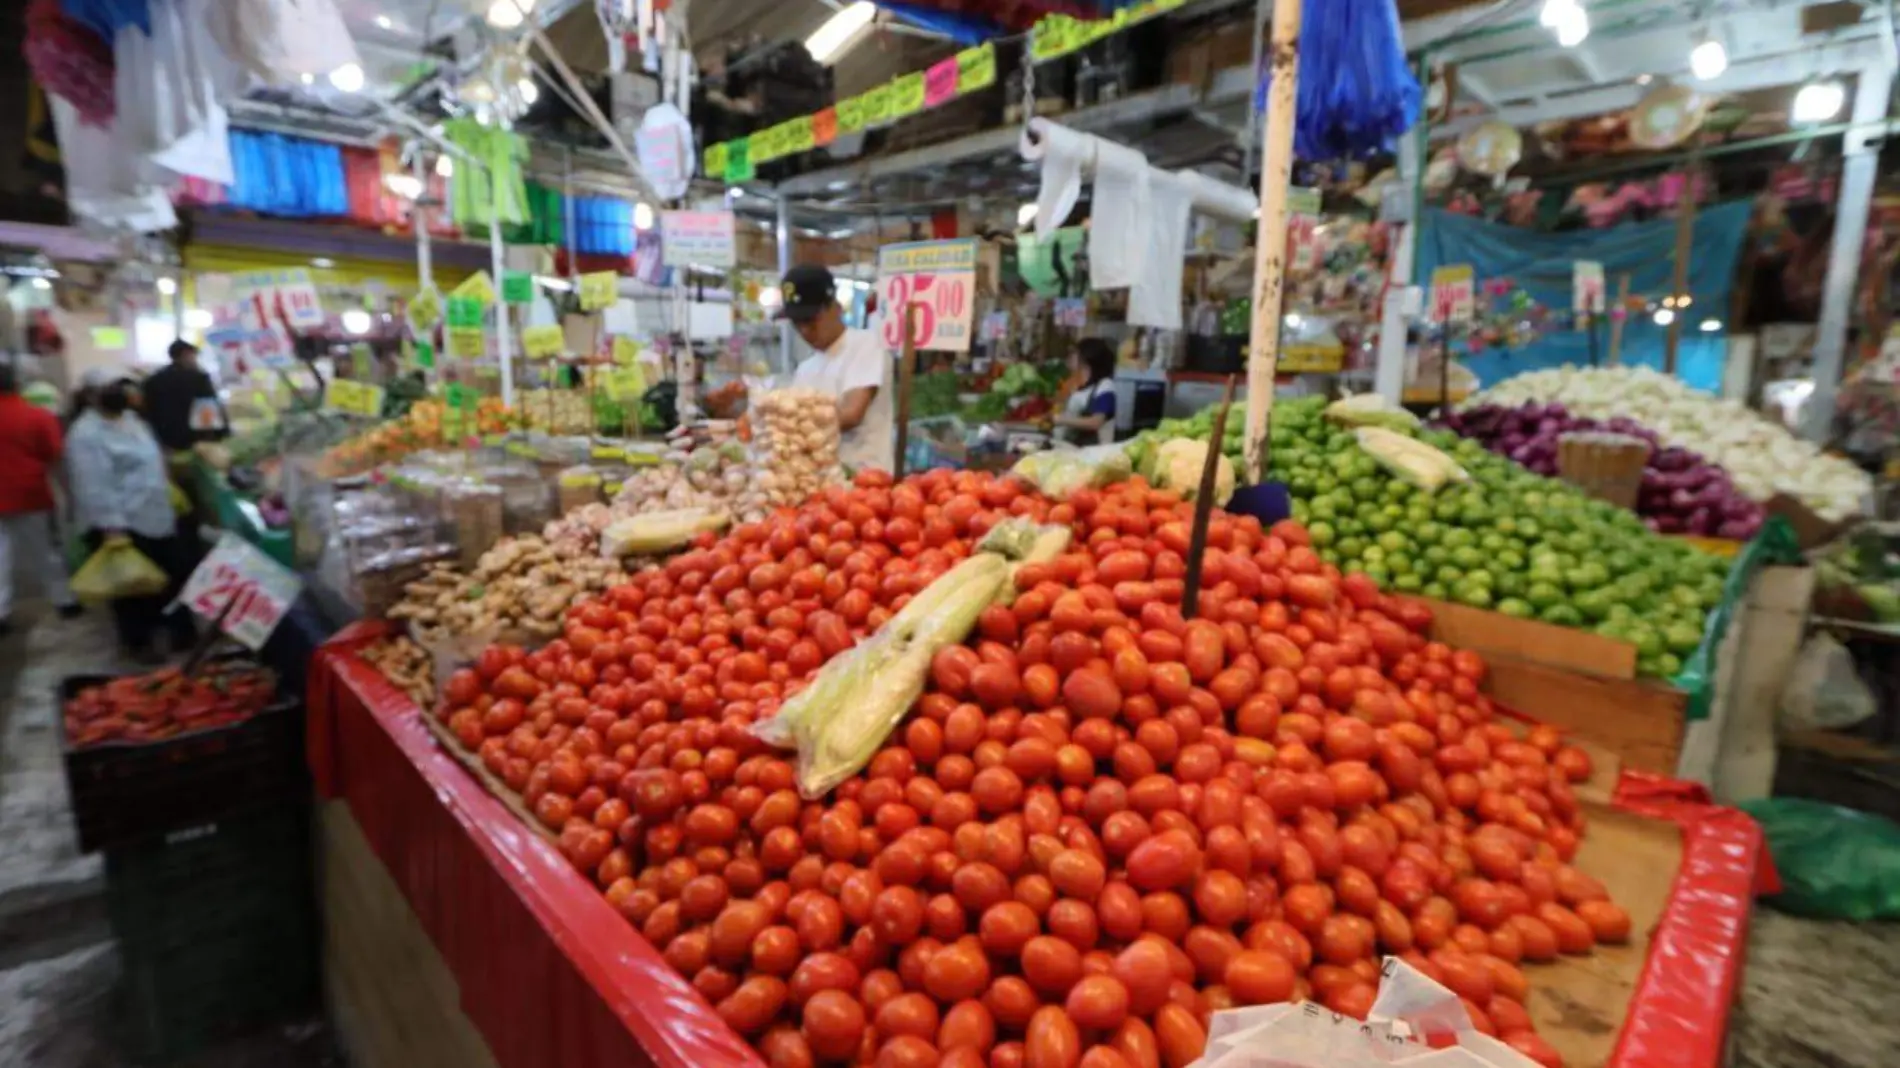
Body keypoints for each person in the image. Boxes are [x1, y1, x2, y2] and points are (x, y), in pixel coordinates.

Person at [66, 369, 195, 659]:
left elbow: (152, 459)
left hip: (156, 514)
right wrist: (112, 527)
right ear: (90, 396)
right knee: (132, 589)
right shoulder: (86, 434)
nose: (118, 392)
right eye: (108, 387)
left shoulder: (132, 420)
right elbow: (92, 485)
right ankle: (139, 642)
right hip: (124, 522)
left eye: (119, 386)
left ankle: (178, 633)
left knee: (171, 577)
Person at [776, 264, 895, 472]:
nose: (804, 331)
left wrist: (788, 429)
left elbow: (851, 414)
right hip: (818, 484)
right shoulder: (805, 368)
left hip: (863, 482)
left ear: (836, 307)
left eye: (811, 320)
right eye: (797, 323)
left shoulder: (865, 346)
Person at [0, 363, 81, 634]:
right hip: (30, 494)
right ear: (17, 384)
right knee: (45, 550)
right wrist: (69, 495)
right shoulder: (35, 416)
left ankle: (1, 611)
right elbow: (56, 457)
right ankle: (64, 600)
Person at [139, 339, 228, 453]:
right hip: (193, 441)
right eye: (193, 355)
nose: (195, 359)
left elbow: (147, 412)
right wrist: (219, 435)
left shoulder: (152, 380)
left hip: (162, 442)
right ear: (185, 354)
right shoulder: (198, 378)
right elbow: (207, 411)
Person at [1054, 338, 1119, 446]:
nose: (1071, 358)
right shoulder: (1080, 384)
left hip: (1094, 452)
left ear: (1086, 359)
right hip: (1073, 447)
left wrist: (1060, 420)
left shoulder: (1105, 386)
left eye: (1076, 354)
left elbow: (1096, 422)